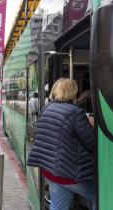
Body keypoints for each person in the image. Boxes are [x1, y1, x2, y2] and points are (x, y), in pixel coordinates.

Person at [27, 78, 95, 210]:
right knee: (100, 197)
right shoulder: (75, 112)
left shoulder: (47, 109)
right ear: (73, 92)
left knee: (58, 207)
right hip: (71, 175)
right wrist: (91, 125)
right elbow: (91, 143)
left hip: (52, 172)